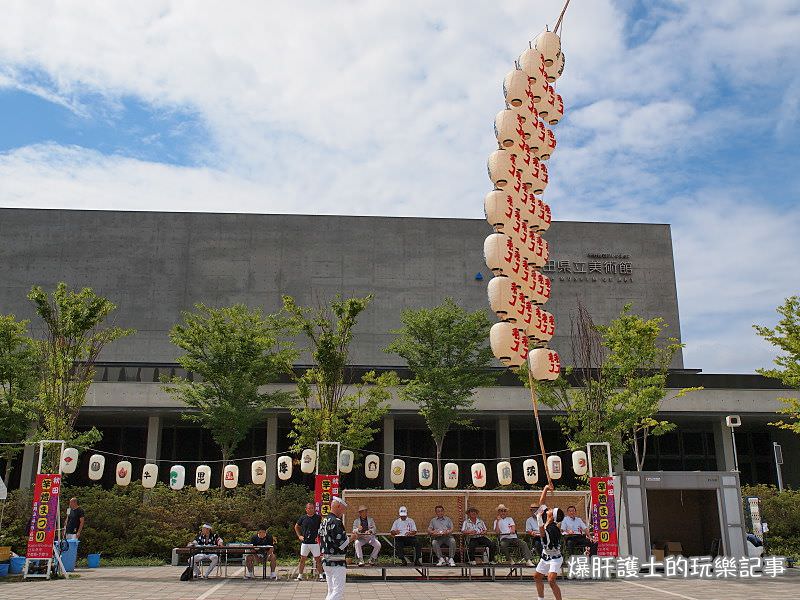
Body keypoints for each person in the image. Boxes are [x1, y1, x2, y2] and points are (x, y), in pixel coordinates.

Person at [319, 496, 358, 600]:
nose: (343, 513)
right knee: (337, 592)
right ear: (338, 506)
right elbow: (341, 544)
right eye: (343, 509)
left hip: (326, 560)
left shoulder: (324, 520)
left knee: (331, 590)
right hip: (337, 562)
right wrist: (352, 538)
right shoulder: (336, 522)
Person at [534, 483, 564, 600]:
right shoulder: (547, 518)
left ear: (552, 516)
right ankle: (541, 599)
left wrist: (538, 519)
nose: (549, 509)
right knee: (537, 577)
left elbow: (542, 533)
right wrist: (546, 488)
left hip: (555, 558)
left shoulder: (553, 530)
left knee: (551, 580)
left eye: (551, 510)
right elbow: (541, 502)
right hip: (546, 556)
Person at [295, 502, 324, 580]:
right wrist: (299, 536)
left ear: (314, 509)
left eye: (312, 508)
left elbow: (323, 527)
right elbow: (296, 526)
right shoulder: (303, 518)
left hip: (314, 543)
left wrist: (320, 536)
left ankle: (321, 575)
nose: (310, 510)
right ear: (306, 509)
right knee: (302, 559)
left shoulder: (318, 517)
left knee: (318, 559)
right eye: (309, 508)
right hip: (305, 543)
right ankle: (300, 575)